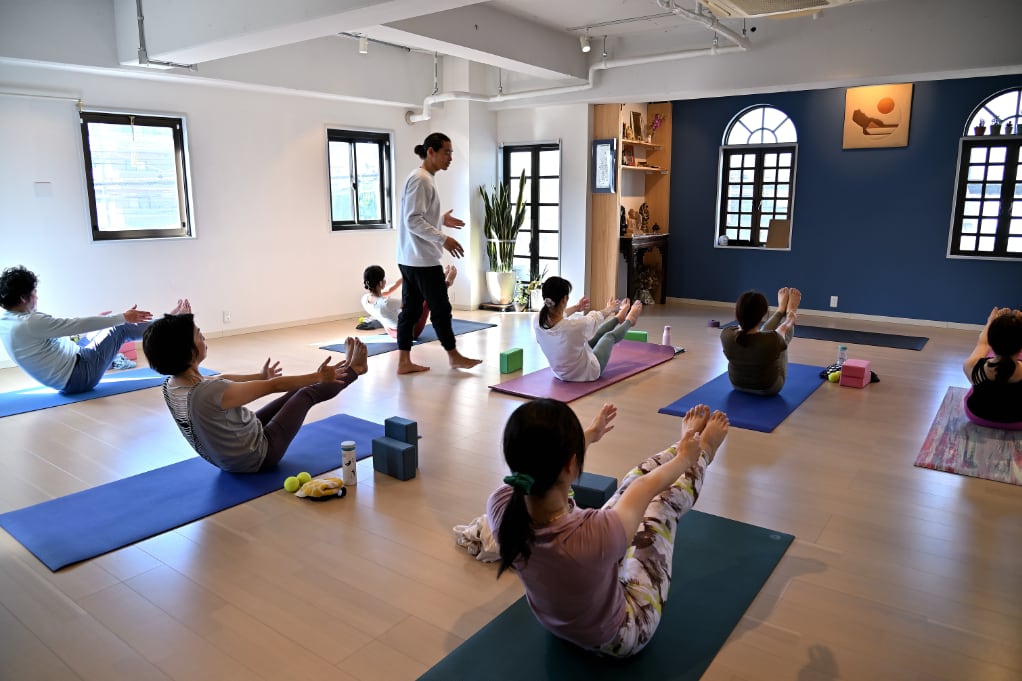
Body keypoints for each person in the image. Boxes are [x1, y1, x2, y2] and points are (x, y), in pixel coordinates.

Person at [487, 399, 729, 657]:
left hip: (557, 621)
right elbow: (645, 489)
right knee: (660, 505)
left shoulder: (501, 506)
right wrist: (684, 460)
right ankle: (702, 451)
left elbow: (542, 459)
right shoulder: (596, 534)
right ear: (571, 463)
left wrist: (590, 434)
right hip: (621, 635)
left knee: (633, 480)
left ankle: (685, 446)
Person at [142, 313, 368, 472]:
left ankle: (347, 368)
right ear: (188, 352)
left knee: (296, 391)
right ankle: (356, 369)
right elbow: (275, 386)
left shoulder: (173, 384)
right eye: (199, 335)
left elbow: (220, 378)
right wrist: (318, 377)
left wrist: (259, 376)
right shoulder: (207, 393)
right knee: (304, 394)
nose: (204, 338)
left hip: (228, 456)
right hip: (257, 457)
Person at [0, 264, 185, 394]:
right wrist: (122, 317)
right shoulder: (29, 322)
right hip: (79, 377)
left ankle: (167, 321)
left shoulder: (8, 322)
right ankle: (171, 323)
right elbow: (74, 324)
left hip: (71, 371)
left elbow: (64, 338)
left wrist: (97, 329)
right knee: (120, 329)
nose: (37, 298)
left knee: (106, 326)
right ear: (24, 298)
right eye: (34, 294)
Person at [395, 132, 481, 374]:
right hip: (422, 260)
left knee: (411, 311)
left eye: (451, 153)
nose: (450, 157)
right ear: (430, 152)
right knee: (441, 308)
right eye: (446, 152)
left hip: (410, 257)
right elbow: (412, 220)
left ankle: (404, 361)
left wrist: (440, 219)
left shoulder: (422, 178)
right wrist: (444, 238)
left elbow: (419, 217)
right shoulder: (421, 179)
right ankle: (454, 357)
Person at [534, 276, 643, 382]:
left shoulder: (537, 320)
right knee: (608, 337)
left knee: (598, 333)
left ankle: (618, 318)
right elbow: (595, 318)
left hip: (560, 373)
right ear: (564, 299)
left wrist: (577, 307)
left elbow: (560, 314)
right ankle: (630, 320)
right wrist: (610, 308)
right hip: (586, 373)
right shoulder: (573, 326)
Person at [720, 287, 801, 395]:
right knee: (781, 341)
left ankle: (780, 310)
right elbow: (782, 330)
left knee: (768, 337)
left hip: (736, 384)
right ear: (762, 315)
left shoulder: (726, 334)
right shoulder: (771, 339)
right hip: (769, 388)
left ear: (736, 312)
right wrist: (791, 316)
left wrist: (785, 318)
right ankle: (787, 310)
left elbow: (769, 333)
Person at [962, 306, 1022, 429]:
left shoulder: (971, 366)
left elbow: (982, 343)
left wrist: (990, 321)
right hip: (1018, 422)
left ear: (991, 342)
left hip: (978, 416)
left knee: (975, 383)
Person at [361, 263, 457, 340]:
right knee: (427, 299)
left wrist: (405, 275)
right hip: (410, 332)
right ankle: (447, 282)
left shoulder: (365, 299)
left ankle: (440, 278)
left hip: (391, 332)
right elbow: (412, 303)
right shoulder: (387, 303)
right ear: (381, 283)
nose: (386, 281)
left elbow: (388, 290)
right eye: (384, 279)